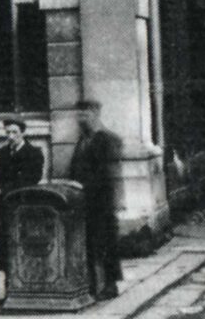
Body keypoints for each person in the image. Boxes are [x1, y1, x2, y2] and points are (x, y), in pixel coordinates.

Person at [69, 99, 123, 300]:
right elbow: (75, 168)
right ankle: (92, 285)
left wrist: (83, 186)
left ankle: (110, 285)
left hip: (102, 202)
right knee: (90, 244)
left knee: (106, 244)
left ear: (95, 114)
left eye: (84, 114)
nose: (80, 118)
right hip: (85, 202)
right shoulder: (83, 140)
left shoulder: (105, 140)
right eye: (79, 114)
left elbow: (104, 174)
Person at [0, 117, 44, 272]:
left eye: (15, 132)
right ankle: (9, 290)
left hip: (23, 206)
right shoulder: (3, 152)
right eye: (8, 132)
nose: (11, 136)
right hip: (3, 207)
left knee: (23, 245)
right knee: (5, 248)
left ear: (22, 133)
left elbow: (30, 180)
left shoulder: (34, 153)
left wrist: (2, 190)